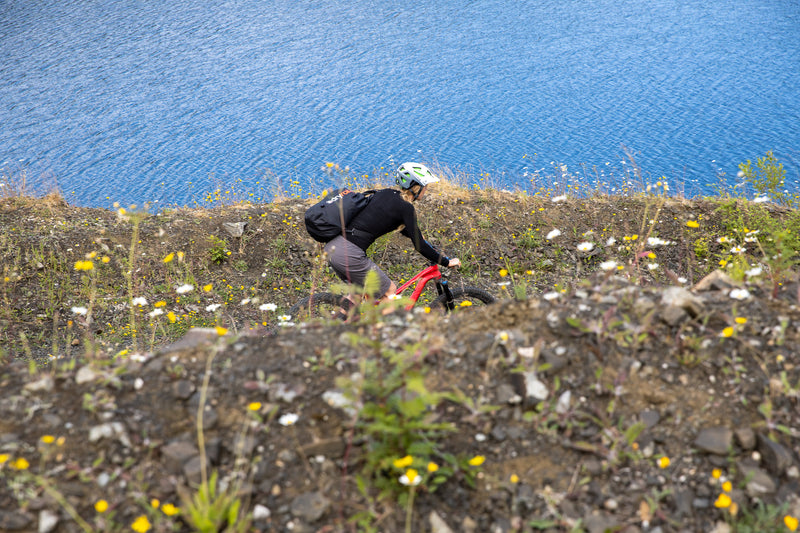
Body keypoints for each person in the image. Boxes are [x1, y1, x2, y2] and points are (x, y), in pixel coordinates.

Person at [324, 162, 461, 302]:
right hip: (349, 253)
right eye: (425, 186)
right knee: (389, 290)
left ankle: (343, 322)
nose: (426, 190)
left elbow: (391, 223)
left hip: (333, 247)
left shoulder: (387, 193)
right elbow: (420, 246)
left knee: (358, 295)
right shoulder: (406, 207)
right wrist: (446, 262)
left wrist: (418, 237)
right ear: (417, 187)